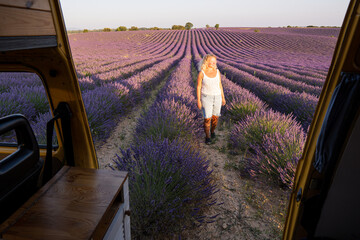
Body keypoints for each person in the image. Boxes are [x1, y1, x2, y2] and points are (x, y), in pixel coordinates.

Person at [197, 54, 226, 145]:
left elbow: (220, 85)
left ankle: (212, 131)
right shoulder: (202, 73)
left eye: (215, 62)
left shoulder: (217, 72)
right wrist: (198, 100)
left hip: (217, 97)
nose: (214, 63)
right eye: (212, 61)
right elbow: (198, 87)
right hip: (206, 98)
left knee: (215, 118)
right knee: (207, 119)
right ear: (206, 62)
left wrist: (223, 97)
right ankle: (207, 137)